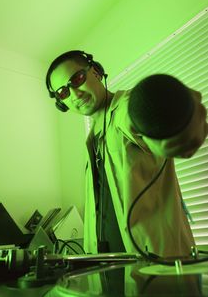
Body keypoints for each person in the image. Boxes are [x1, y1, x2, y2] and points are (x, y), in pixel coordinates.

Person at [46, 50, 208, 259]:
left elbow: (149, 111)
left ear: (95, 72)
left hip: (159, 268)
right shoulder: (92, 141)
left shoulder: (125, 108)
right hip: (106, 271)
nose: (75, 94)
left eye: (77, 79)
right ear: (61, 103)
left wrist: (182, 119)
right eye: (63, 93)